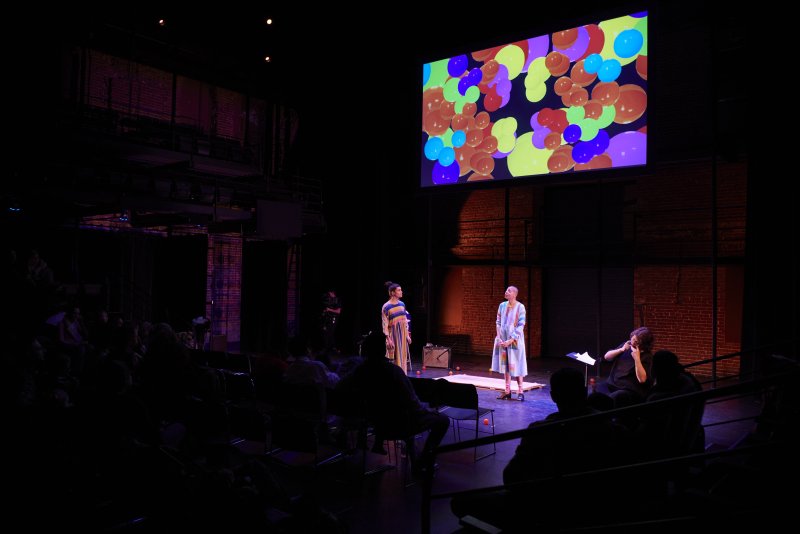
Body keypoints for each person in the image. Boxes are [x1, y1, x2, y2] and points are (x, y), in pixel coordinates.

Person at [600, 326, 654, 407]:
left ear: (644, 343)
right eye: (633, 338)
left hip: (629, 390)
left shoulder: (647, 356)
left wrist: (637, 358)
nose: (633, 342)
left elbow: (642, 379)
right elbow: (607, 357)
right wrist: (621, 349)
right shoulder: (626, 345)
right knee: (595, 392)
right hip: (612, 384)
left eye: (637, 341)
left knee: (611, 399)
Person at [492, 286, 527, 401]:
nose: (506, 292)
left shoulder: (520, 307)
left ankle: (520, 391)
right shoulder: (502, 305)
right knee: (506, 364)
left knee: (516, 364)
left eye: (509, 291)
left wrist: (511, 340)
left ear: (515, 294)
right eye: (506, 290)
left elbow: (521, 325)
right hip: (503, 339)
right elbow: (498, 321)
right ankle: (507, 391)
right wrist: (499, 336)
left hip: (514, 340)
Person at [382, 281, 411, 373]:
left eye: (401, 290)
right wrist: (388, 339)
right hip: (392, 335)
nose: (401, 292)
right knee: (393, 359)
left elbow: (404, 321)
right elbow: (385, 324)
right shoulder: (386, 307)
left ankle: (403, 376)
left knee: (402, 358)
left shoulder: (402, 304)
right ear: (393, 293)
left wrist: (407, 335)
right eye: (399, 290)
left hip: (402, 334)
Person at [321, 289, 341, 355]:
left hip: (333, 318)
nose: (328, 295)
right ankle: (326, 348)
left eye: (329, 293)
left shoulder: (337, 300)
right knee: (325, 332)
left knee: (330, 332)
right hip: (327, 318)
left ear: (332, 293)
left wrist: (329, 309)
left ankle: (333, 348)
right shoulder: (329, 300)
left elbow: (338, 311)